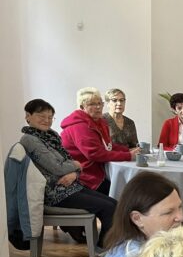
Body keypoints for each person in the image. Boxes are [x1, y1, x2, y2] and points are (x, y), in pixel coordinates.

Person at [20, 98, 117, 247]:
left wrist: (74, 173)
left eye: (50, 117)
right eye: (41, 116)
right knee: (109, 208)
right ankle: (104, 250)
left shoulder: (51, 135)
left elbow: (68, 162)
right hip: (54, 193)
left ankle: (105, 245)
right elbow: (57, 167)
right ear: (28, 116)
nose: (47, 120)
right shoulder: (30, 140)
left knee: (114, 203)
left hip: (70, 186)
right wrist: (76, 165)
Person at [61, 87, 139, 195]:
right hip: (84, 176)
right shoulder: (80, 126)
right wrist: (128, 156)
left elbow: (107, 145)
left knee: (130, 187)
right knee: (125, 192)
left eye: (99, 103)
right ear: (82, 107)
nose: (98, 107)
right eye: (92, 104)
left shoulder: (99, 122)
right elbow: (95, 154)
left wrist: (127, 150)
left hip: (99, 170)